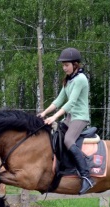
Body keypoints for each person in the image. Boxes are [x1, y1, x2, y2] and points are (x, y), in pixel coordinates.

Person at [38, 47, 95, 195]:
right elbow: (58, 101)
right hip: (70, 117)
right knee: (56, 136)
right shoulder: (69, 80)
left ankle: (86, 176)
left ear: (75, 64)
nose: (64, 68)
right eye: (63, 65)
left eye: (66, 65)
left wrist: (54, 117)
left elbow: (71, 103)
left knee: (68, 140)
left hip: (80, 118)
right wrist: (43, 113)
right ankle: (64, 168)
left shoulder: (81, 79)